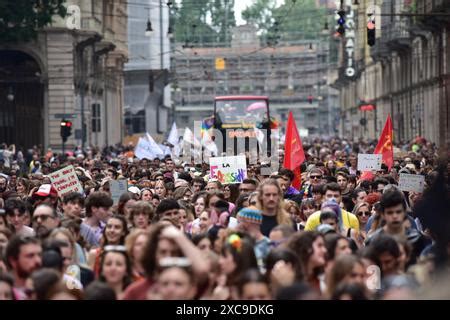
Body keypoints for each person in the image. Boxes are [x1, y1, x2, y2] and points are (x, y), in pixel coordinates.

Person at [123, 223, 208, 300]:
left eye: (173, 252)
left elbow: (202, 270)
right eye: (163, 252)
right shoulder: (136, 291)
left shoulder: (188, 286)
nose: (168, 257)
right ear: (153, 254)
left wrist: (179, 237)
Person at [365, 189, 429, 262]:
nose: (395, 216)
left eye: (398, 212)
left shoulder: (416, 238)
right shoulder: (373, 240)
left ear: (404, 213)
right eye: (390, 213)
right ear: (383, 214)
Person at [5, 235, 42, 299]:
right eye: (30, 256)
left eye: (39, 255)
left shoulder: (49, 288)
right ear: (13, 261)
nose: (38, 260)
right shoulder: (4, 292)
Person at [236, 207, 271, 273]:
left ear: (246, 223)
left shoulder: (268, 246)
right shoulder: (238, 242)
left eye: (239, 222)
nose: (237, 226)